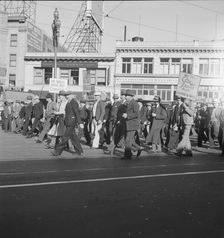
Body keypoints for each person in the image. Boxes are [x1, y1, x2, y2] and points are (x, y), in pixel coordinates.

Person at [51, 92, 84, 156]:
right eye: (66, 95)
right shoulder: (69, 102)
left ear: (72, 96)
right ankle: (79, 151)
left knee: (65, 137)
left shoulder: (74, 102)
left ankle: (58, 151)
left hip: (71, 122)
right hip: (68, 121)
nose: (67, 96)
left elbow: (76, 112)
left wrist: (80, 122)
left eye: (68, 95)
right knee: (73, 137)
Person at [121, 89, 142, 159]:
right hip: (128, 124)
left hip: (132, 124)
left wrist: (128, 115)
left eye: (126, 96)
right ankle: (139, 148)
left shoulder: (134, 103)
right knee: (131, 140)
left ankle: (127, 155)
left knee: (128, 140)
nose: (125, 97)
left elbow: (136, 114)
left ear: (130, 96)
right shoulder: (129, 103)